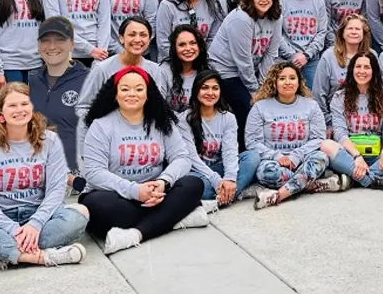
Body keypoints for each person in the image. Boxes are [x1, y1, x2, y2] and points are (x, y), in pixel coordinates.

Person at [0, 84, 88, 277]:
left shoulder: (49, 141)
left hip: (41, 215)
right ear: (1, 112)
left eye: (24, 103)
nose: (19, 110)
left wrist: (35, 224)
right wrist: (14, 229)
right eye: (12, 105)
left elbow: (56, 191)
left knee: (79, 215)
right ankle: (41, 257)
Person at [79, 67, 206, 254]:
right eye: (125, 89)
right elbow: (93, 172)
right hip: (118, 196)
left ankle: (136, 234)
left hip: (157, 193)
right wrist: (135, 191)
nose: (132, 94)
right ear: (115, 94)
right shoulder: (101, 126)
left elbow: (182, 157)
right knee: (96, 205)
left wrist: (163, 182)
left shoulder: (162, 121)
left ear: (148, 94)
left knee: (194, 184)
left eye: (139, 89)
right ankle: (174, 218)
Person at [245, 62, 343, 209]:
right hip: (274, 162)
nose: (287, 82)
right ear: (274, 82)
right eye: (282, 78)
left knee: (321, 158)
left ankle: (277, 196)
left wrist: (297, 156)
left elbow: (318, 138)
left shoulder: (311, 106)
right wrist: (276, 156)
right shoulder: (260, 107)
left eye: (292, 78)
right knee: (266, 172)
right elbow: (252, 141)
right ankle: (314, 184)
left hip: (304, 159)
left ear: (298, 82)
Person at [75, 17, 172, 161]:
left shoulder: (155, 70)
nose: (138, 39)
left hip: (143, 138)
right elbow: (83, 108)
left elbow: (159, 108)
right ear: (121, 38)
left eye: (143, 35)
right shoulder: (102, 69)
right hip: (108, 138)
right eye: (132, 35)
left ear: (150, 40)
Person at [211, 0, 288, 149]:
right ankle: (243, 152)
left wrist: (263, 85)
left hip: (250, 72)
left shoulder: (276, 17)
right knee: (249, 109)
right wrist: (255, 90)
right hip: (225, 71)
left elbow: (270, 53)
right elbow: (242, 60)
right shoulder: (241, 19)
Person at [321, 53, 383, 191]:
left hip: (378, 154)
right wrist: (357, 156)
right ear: (351, 70)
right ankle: (374, 180)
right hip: (350, 155)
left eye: (366, 67)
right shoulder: (340, 97)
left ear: (374, 71)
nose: (362, 71)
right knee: (326, 145)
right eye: (358, 67)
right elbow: (340, 133)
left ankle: (353, 178)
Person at [178, 70, 256, 211]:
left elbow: (230, 151)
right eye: (205, 88)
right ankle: (232, 194)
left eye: (215, 88)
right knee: (192, 186)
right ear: (196, 90)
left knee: (252, 157)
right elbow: (191, 158)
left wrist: (230, 178)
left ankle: (223, 195)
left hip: (219, 169)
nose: (210, 92)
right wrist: (217, 181)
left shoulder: (228, 118)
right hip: (197, 173)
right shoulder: (184, 119)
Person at [28, 17, 89, 182]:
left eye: (60, 40)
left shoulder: (89, 80)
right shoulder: (31, 80)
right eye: (45, 40)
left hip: (80, 175)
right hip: (40, 175)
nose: (52, 46)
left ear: (72, 44)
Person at [154, 0, 225, 61]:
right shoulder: (167, 5)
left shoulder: (212, 4)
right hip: (172, 63)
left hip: (202, 63)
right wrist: (184, 63)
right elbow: (163, 43)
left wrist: (200, 60)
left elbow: (214, 39)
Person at [313, 14, 374, 129]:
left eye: (357, 29)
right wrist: (329, 123)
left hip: (366, 120)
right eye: (350, 28)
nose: (354, 32)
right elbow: (319, 94)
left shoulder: (372, 56)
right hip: (334, 119)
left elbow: (379, 91)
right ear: (342, 33)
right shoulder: (329, 56)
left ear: (364, 33)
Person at [280, 0, 331, 89]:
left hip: (311, 59)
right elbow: (277, 34)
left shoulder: (318, 1)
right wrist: (292, 55)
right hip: (285, 57)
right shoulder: (281, 0)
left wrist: (307, 55)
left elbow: (322, 32)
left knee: (313, 94)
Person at [160, 25, 209, 112]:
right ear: (174, 48)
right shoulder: (163, 71)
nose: (188, 48)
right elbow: (159, 106)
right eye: (182, 45)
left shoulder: (207, 70)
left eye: (192, 43)